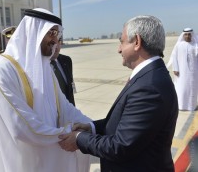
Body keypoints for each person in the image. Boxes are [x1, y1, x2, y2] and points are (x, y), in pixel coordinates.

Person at [59, 15, 179, 172]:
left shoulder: (150, 87)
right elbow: (126, 121)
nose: (119, 49)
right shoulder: (149, 76)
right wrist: (92, 127)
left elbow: (121, 146)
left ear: (137, 42)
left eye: (122, 42)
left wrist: (78, 139)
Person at [0, 8, 91, 172]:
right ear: (34, 32)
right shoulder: (4, 67)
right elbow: (21, 126)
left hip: (46, 155)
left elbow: (64, 107)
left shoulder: (45, 67)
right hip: (19, 158)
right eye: (51, 33)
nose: (55, 40)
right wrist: (68, 133)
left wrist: (90, 125)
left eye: (57, 34)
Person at [168, 28, 198, 111]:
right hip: (181, 72)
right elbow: (174, 57)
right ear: (183, 35)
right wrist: (175, 68)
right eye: (186, 34)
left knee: (192, 88)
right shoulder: (179, 45)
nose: (187, 36)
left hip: (194, 72)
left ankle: (191, 106)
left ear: (192, 35)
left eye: (189, 34)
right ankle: (181, 106)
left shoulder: (195, 45)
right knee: (182, 88)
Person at [50, 38, 76, 105]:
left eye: (58, 41)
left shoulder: (67, 61)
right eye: (52, 42)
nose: (56, 46)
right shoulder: (37, 67)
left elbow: (70, 92)